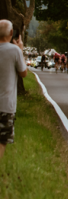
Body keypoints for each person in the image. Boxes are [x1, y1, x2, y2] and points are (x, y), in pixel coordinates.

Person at [0, 20, 27, 159]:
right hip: (5, 105)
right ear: (11, 33)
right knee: (2, 140)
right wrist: (21, 50)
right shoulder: (14, 50)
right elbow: (23, 72)